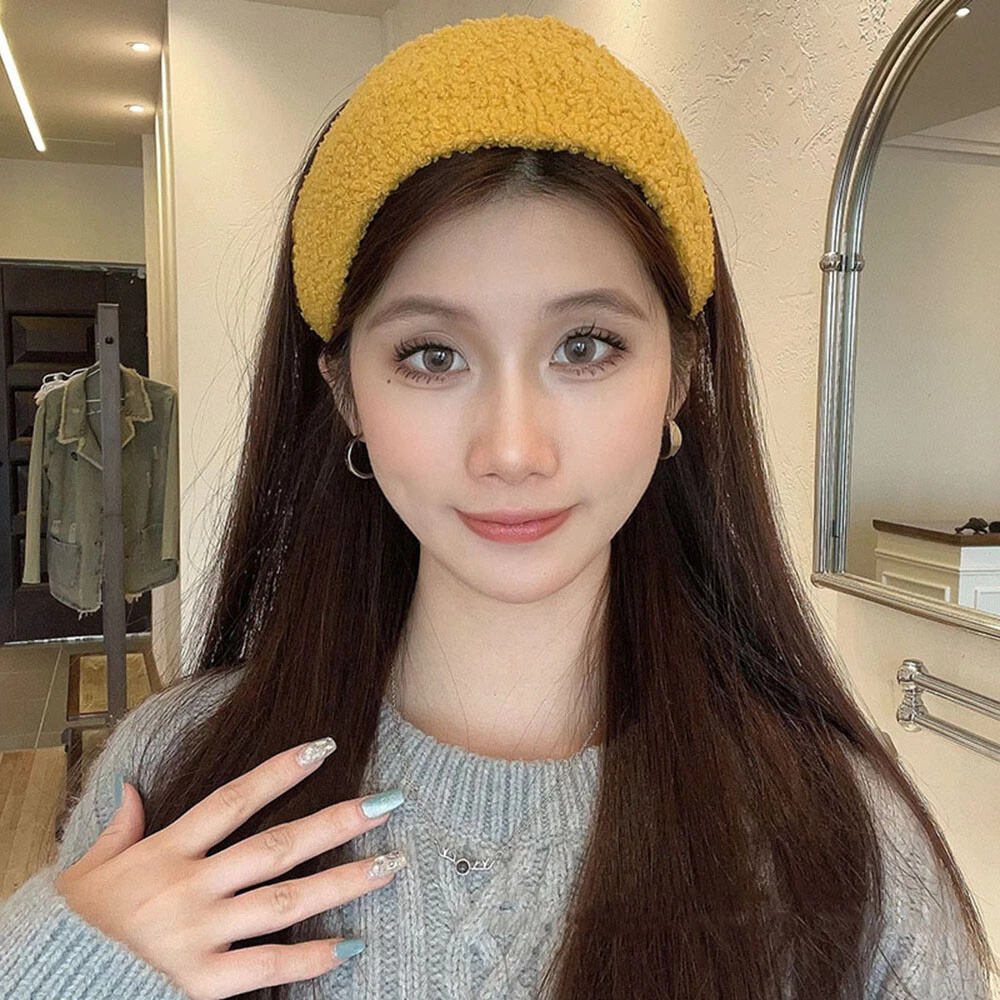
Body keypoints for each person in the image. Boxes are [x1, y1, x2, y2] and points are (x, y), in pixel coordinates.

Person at [0, 13, 995, 1000]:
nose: (512, 451)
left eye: (586, 346)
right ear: (346, 393)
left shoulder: (843, 842)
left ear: (682, 376)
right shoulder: (179, 780)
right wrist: (65, 968)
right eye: (432, 355)